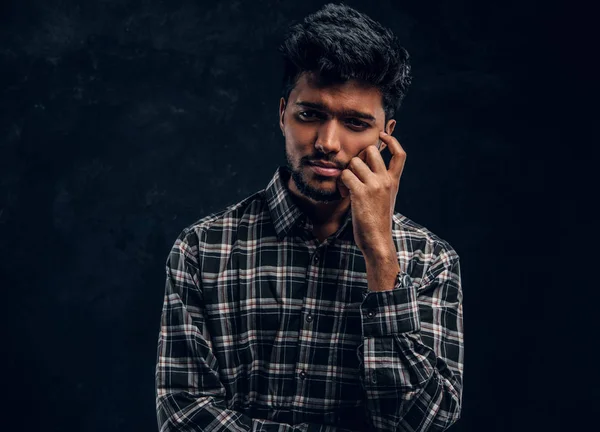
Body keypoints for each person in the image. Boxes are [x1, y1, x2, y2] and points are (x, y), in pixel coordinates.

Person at [155, 3, 463, 431]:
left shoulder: (430, 259)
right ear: (283, 113)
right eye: (310, 114)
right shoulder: (202, 248)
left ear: (386, 136)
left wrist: (379, 254)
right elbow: (183, 413)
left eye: (355, 123)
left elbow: (423, 422)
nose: (328, 143)